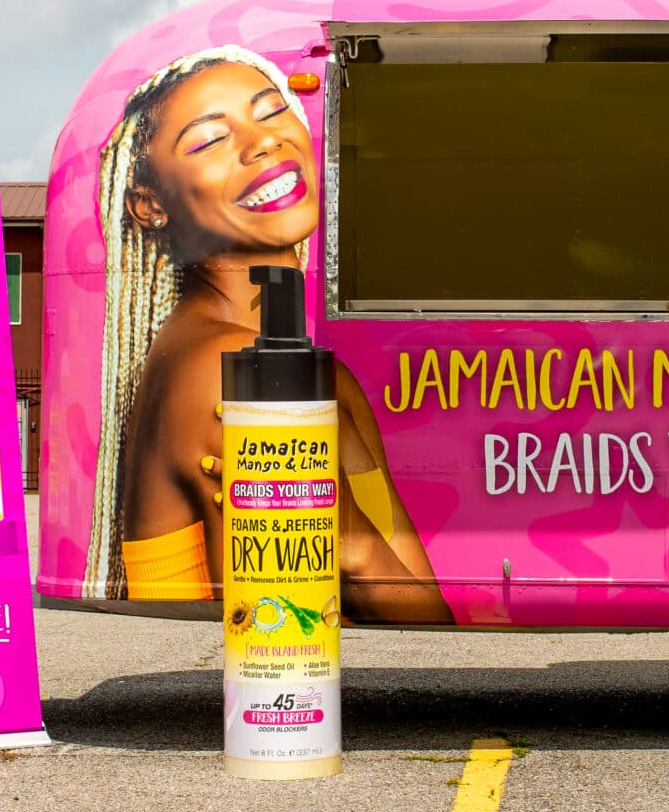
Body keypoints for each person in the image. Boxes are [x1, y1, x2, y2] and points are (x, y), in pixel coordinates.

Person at [86, 47, 448, 621]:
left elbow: (423, 614)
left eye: (273, 111)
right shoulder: (231, 369)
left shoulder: (302, 370)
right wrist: (349, 539)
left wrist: (354, 537)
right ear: (149, 205)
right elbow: (296, 626)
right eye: (209, 140)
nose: (263, 142)